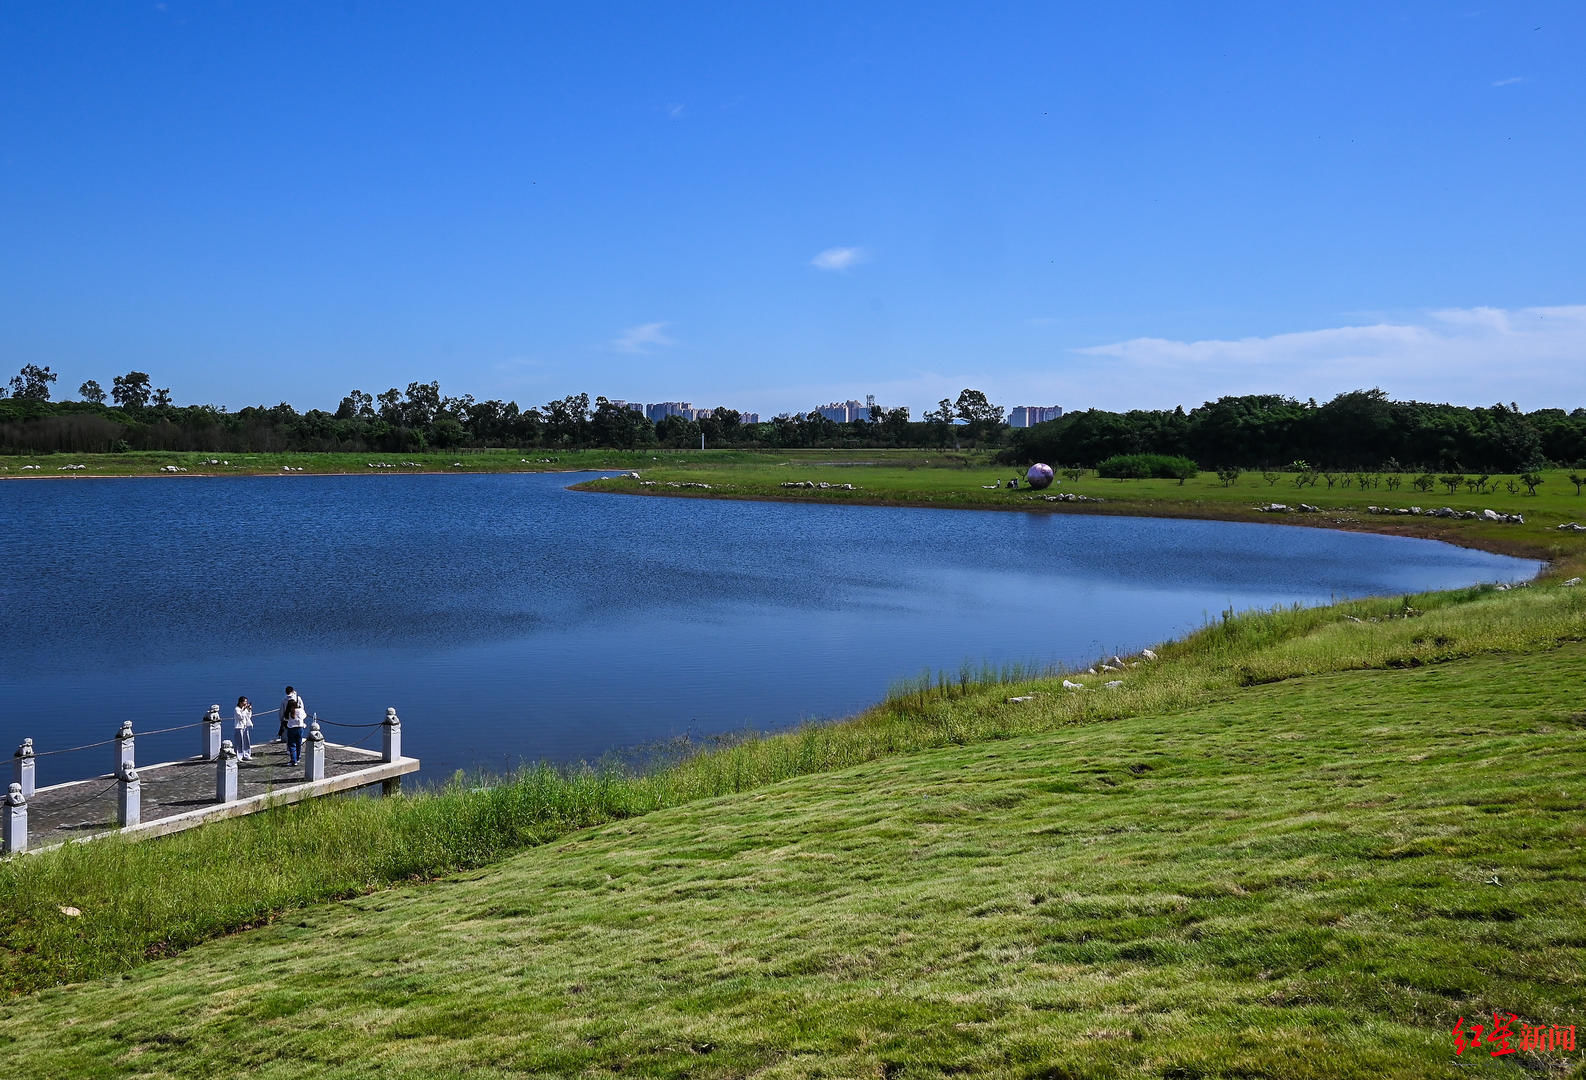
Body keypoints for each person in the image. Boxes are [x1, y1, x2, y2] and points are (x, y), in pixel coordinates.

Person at [280, 686, 307, 765]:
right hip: (300, 728)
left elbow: (284, 717)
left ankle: (293, 760)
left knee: (292, 745)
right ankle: (298, 757)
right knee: (299, 743)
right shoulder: (300, 709)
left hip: (291, 729)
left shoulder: (288, 712)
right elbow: (304, 715)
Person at [234, 695, 254, 760]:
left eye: (246, 702)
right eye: (245, 702)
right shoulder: (237, 709)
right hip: (239, 727)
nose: (246, 703)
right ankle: (239, 756)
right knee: (239, 742)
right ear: (240, 702)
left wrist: (249, 710)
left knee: (246, 741)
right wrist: (244, 709)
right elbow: (240, 717)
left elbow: (248, 716)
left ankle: (246, 754)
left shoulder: (244, 709)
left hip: (245, 726)